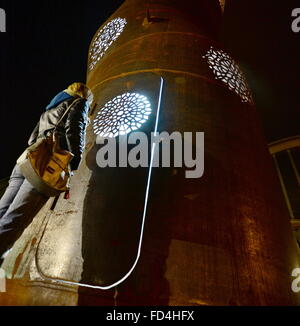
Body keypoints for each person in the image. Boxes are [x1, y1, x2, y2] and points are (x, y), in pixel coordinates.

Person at [0, 82, 93, 260]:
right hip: (45, 166)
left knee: (3, 212)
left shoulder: (50, 108)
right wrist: (72, 166)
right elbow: (74, 131)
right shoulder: (79, 103)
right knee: (15, 221)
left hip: (26, 160)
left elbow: (31, 139)